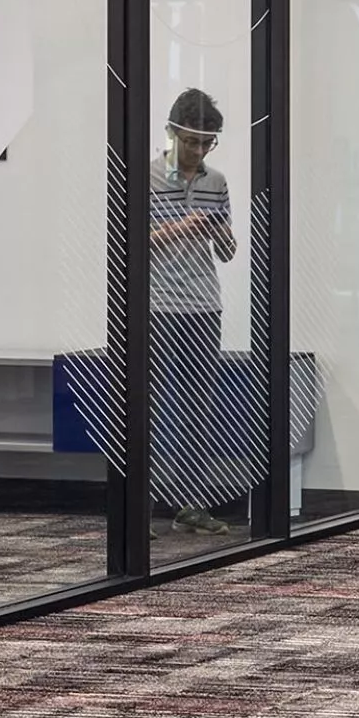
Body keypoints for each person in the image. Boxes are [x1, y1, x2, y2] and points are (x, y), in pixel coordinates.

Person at [150, 88, 237, 532]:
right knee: (151, 405)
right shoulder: (145, 178)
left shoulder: (216, 183)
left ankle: (192, 504)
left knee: (198, 407)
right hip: (157, 306)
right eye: (191, 142)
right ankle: (141, 508)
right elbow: (130, 244)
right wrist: (181, 227)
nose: (198, 151)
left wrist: (222, 236)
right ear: (171, 133)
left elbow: (227, 252)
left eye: (206, 143)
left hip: (204, 305)